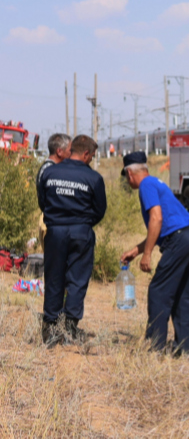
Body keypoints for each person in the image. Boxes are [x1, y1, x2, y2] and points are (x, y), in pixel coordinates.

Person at [120, 152, 189, 356]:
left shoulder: (145, 186)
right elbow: (163, 228)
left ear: (129, 173)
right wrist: (137, 251)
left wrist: (147, 255)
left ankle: (155, 347)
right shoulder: (156, 182)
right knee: (182, 294)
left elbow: (156, 219)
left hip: (178, 240)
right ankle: (184, 349)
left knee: (158, 291)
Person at [38, 135, 106, 346]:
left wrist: (58, 220)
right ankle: (70, 328)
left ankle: (50, 329)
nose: (92, 159)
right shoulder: (93, 178)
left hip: (55, 232)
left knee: (53, 278)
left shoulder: (49, 173)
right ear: (85, 154)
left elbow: (43, 202)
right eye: (92, 156)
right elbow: (100, 210)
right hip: (81, 233)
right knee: (77, 280)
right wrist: (83, 223)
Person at [36, 133, 72, 246]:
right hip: (52, 224)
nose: (72, 154)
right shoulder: (51, 171)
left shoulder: (49, 168)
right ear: (59, 151)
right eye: (70, 150)